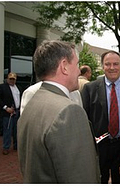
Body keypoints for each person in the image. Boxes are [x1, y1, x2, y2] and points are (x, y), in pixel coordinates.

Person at [17, 40, 100, 183]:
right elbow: (81, 178)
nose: (79, 71)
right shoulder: (68, 111)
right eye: (77, 64)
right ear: (64, 67)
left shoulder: (32, 102)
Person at [81, 50, 120, 184]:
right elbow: (85, 121)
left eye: (116, 64)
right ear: (102, 66)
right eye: (108, 64)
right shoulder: (90, 89)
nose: (112, 68)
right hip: (98, 148)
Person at [0, 72, 23, 155]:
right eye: (10, 79)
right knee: (7, 130)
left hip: (17, 111)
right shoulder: (2, 87)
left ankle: (16, 146)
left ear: (15, 80)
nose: (12, 81)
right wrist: (6, 108)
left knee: (16, 130)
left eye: (13, 79)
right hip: (7, 113)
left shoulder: (19, 88)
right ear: (7, 79)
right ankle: (6, 147)